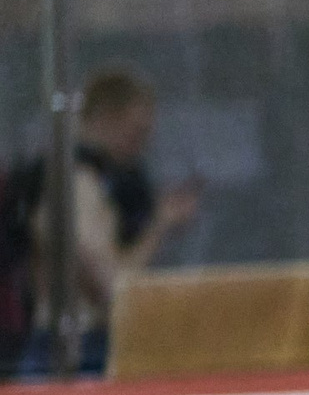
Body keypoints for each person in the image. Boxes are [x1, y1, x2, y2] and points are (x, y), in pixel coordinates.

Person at [10, 68, 201, 375]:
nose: (140, 147)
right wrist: (160, 225)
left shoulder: (98, 183)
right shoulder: (75, 184)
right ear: (105, 118)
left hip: (92, 342)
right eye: (135, 133)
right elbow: (112, 289)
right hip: (72, 352)